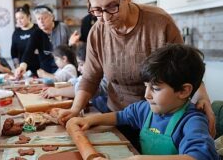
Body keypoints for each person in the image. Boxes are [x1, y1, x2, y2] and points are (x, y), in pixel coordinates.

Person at [57, 0, 216, 140]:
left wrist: (202, 97)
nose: (105, 17)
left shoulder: (160, 23)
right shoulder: (97, 31)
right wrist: (74, 109)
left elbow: (185, 68)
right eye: (97, 10)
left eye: (111, 7)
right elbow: (90, 78)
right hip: (117, 116)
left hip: (159, 119)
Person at [66, 44, 219, 160]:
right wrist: (89, 120)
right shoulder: (146, 110)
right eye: (146, 86)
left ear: (184, 91)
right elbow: (121, 116)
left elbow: (199, 156)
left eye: (156, 89)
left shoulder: (192, 121)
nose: (147, 95)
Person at [41, 43, 109, 113]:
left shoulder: (105, 77)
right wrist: (56, 89)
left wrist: (56, 91)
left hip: (106, 115)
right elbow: (76, 81)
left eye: (81, 64)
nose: (78, 69)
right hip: (97, 111)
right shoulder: (90, 75)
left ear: (95, 63)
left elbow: (85, 87)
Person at [14, 5, 71, 78]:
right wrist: (22, 67)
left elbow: (70, 48)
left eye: (44, 18)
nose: (41, 21)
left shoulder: (62, 27)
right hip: (46, 71)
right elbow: (28, 51)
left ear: (52, 17)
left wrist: (71, 44)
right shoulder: (36, 33)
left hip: (63, 70)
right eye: (38, 19)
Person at [11, 4, 40, 75]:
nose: (19, 21)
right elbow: (13, 52)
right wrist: (17, 66)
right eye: (17, 19)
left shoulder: (38, 29)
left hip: (39, 67)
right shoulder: (16, 32)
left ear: (29, 17)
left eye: (21, 18)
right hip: (23, 68)